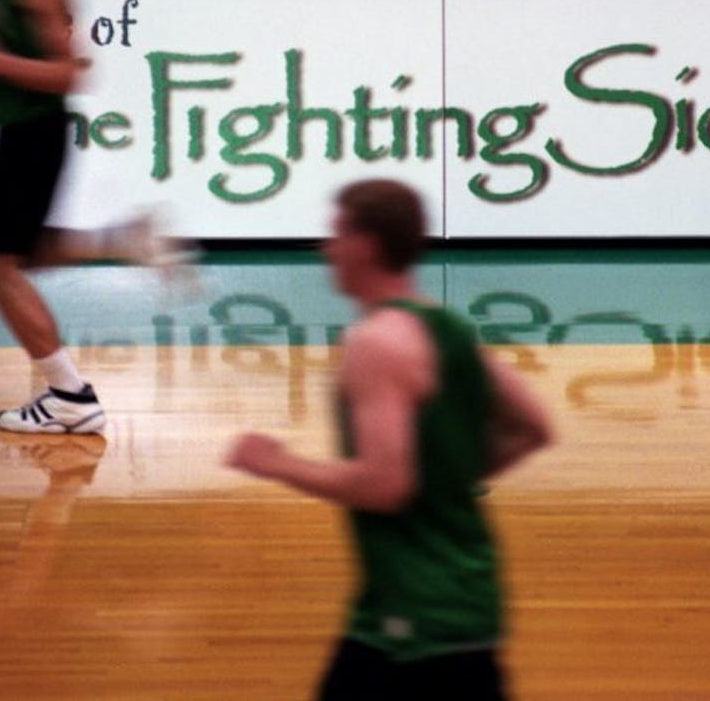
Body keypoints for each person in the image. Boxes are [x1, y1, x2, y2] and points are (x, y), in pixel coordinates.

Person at [226, 179, 554, 700]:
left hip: (413, 618)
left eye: (336, 234)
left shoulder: (375, 342)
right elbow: (535, 426)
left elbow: (385, 486)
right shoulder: (447, 326)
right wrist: (447, 479)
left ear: (367, 244)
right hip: (468, 599)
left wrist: (278, 464)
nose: (326, 249)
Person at [0, 0, 188, 434]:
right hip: (13, 133)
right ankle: (122, 241)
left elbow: (69, 73)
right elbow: (11, 42)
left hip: (34, 133)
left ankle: (70, 396)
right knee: (10, 255)